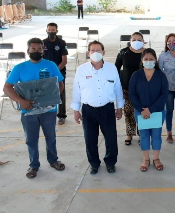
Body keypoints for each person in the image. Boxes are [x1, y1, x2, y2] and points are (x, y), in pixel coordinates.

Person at [3, 38, 65, 179]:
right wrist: (21, 101)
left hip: (49, 110)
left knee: (51, 137)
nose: (36, 51)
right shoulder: (19, 68)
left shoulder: (51, 65)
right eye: (33, 49)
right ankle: (34, 165)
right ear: (28, 51)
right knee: (31, 139)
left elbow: (60, 83)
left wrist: (53, 98)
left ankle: (53, 160)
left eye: (39, 49)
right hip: (28, 111)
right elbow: (7, 87)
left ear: (43, 50)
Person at [71, 40, 124, 175]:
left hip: (107, 108)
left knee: (111, 138)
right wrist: (76, 110)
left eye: (98, 50)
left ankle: (110, 162)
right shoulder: (81, 70)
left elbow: (118, 89)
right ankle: (94, 163)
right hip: (88, 110)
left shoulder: (112, 69)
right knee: (90, 139)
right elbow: (76, 91)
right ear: (88, 53)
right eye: (92, 51)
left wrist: (119, 107)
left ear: (103, 52)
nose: (95, 53)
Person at [129, 48, 169, 172]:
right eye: (146, 59)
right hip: (140, 112)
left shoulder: (161, 76)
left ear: (155, 60)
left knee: (156, 136)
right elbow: (132, 94)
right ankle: (146, 159)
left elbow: (164, 94)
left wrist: (150, 109)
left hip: (157, 112)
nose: (148, 61)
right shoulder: (136, 75)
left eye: (151, 59)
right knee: (144, 136)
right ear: (142, 60)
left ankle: (156, 158)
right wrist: (142, 109)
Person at [115, 32, 145, 145]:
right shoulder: (124, 52)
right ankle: (130, 133)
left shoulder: (146, 53)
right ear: (130, 41)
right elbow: (116, 68)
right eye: (134, 39)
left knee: (141, 111)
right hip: (126, 87)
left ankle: (142, 133)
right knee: (128, 111)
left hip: (142, 89)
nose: (136, 41)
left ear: (143, 41)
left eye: (139, 39)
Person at [42, 22, 68, 125]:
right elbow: (40, 59)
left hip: (59, 71)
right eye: (49, 30)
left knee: (60, 93)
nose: (51, 32)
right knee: (45, 92)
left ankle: (61, 115)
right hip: (45, 72)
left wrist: (55, 71)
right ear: (46, 30)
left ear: (57, 31)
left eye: (53, 30)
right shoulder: (42, 43)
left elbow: (64, 60)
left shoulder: (62, 43)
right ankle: (46, 113)